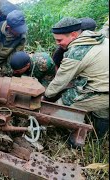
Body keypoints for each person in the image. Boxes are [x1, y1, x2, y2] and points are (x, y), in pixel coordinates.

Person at [45, 17, 109, 145]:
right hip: (104, 85)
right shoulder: (99, 38)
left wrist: (46, 97)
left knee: (59, 108)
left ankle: (74, 143)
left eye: (59, 40)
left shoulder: (76, 52)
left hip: (102, 91)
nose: (58, 43)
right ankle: (97, 140)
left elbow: (60, 82)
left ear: (73, 35)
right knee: (102, 112)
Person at [0, 10, 27, 77]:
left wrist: (8, 70)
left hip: (7, 59)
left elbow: (15, 55)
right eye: (18, 30)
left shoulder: (22, 35)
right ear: (9, 28)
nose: (21, 32)